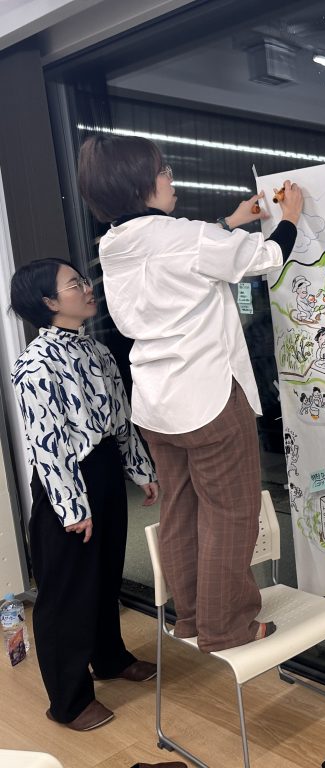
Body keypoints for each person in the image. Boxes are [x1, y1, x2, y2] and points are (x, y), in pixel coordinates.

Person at [78, 134, 302, 652]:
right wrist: (289, 216)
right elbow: (266, 256)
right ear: (141, 185)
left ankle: (195, 618)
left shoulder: (113, 245)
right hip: (208, 397)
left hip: (155, 403)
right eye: (163, 171)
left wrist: (230, 222)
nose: (170, 178)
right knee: (230, 513)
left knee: (180, 510)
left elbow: (182, 254)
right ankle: (227, 628)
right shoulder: (185, 236)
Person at [10, 259, 160, 731]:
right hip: (66, 482)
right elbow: (47, 443)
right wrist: (72, 506)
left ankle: (110, 658)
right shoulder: (35, 364)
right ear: (48, 302)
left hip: (106, 469)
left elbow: (122, 416)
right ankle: (69, 701)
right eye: (74, 283)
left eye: (81, 279)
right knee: (66, 593)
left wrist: (140, 469)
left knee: (105, 575)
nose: (86, 286)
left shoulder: (96, 350)